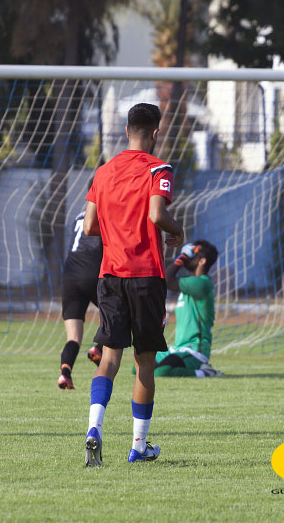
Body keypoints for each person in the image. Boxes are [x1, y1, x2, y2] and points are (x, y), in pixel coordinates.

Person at [82, 103, 184, 466]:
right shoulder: (158, 168)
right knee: (144, 363)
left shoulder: (103, 172)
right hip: (145, 277)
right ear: (155, 133)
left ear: (127, 131)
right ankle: (138, 447)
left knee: (108, 358)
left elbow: (89, 227)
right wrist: (177, 230)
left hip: (110, 276)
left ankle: (94, 428)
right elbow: (158, 214)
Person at [155, 240, 222, 377]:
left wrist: (181, 259)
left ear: (202, 261)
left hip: (194, 351)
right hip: (178, 349)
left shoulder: (202, 283)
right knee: (138, 366)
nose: (188, 255)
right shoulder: (188, 282)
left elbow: (166, 279)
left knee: (161, 372)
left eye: (193, 253)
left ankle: (205, 372)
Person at [58, 195, 104, 390]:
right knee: (116, 312)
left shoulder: (78, 216)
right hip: (92, 272)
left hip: (70, 276)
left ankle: (65, 374)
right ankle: (98, 348)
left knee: (73, 337)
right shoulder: (106, 213)